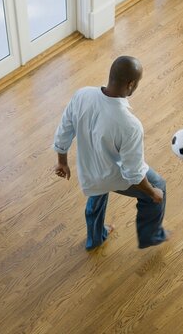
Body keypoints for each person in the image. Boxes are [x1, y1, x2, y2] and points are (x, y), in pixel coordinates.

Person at [53, 56, 170, 250]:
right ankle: (151, 235)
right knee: (159, 185)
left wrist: (62, 162)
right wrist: (153, 193)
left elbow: (64, 129)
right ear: (131, 84)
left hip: (89, 171)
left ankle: (95, 237)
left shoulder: (82, 95)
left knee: (97, 191)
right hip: (108, 174)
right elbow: (133, 174)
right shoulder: (130, 125)